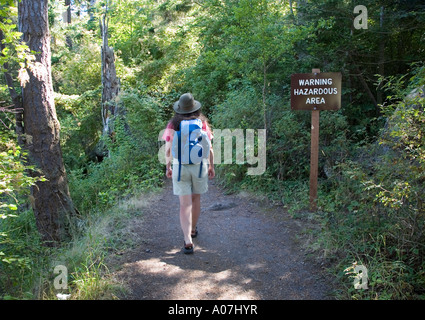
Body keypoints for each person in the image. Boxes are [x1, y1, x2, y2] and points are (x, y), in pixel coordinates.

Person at [162, 93, 215, 254]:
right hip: (199, 166)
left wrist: (168, 166)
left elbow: (169, 148)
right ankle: (193, 230)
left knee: (184, 204)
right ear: (194, 107)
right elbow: (209, 148)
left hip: (180, 167)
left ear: (179, 109)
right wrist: (211, 166)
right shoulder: (202, 123)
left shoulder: (173, 124)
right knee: (196, 198)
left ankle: (188, 241)